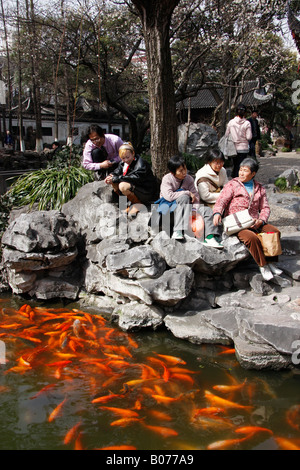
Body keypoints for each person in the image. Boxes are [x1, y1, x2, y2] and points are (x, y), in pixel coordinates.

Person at [213, 158, 283, 281]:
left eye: (245, 171)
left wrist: (261, 220)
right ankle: (263, 265)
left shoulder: (259, 188)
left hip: (255, 221)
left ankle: (271, 262)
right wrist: (217, 212)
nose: (241, 173)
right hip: (238, 223)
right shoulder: (233, 184)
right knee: (252, 238)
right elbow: (222, 200)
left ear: (253, 173)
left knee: (274, 232)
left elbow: (265, 207)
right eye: (240, 170)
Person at [158, 155, 223, 248]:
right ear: (173, 172)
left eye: (185, 169)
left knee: (207, 210)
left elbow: (195, 196)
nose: (184, 172)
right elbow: (169, 196)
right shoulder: (167, 179)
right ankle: (178, 230)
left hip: (187, 209)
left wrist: (194, 210)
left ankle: (210, 237)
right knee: (184, 197)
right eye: (180, 171)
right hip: (170, 211)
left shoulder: (188, 179)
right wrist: (187, 193)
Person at [105, 142, 157, 218]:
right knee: (114, 182)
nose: (126, 160)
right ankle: (125, 205)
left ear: (133, 153)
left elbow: (136, 177)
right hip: (135, 189)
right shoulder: (123, 163)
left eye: (127, 157)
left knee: (123, 186)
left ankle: (138, 204)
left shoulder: (141, 164)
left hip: (145, 191)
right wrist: (110, 176)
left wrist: (117, 178)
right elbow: (116, 172)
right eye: (123, 158)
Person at [226, 104, 252, 178]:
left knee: (235, 164)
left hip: (233, 148)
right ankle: (240, 179)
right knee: (241, 165)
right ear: (245, 113)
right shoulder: (247, 123)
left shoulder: (231, 122)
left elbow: (226, 134)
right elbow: (249, 137)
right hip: (243, 148)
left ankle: (234, 178)